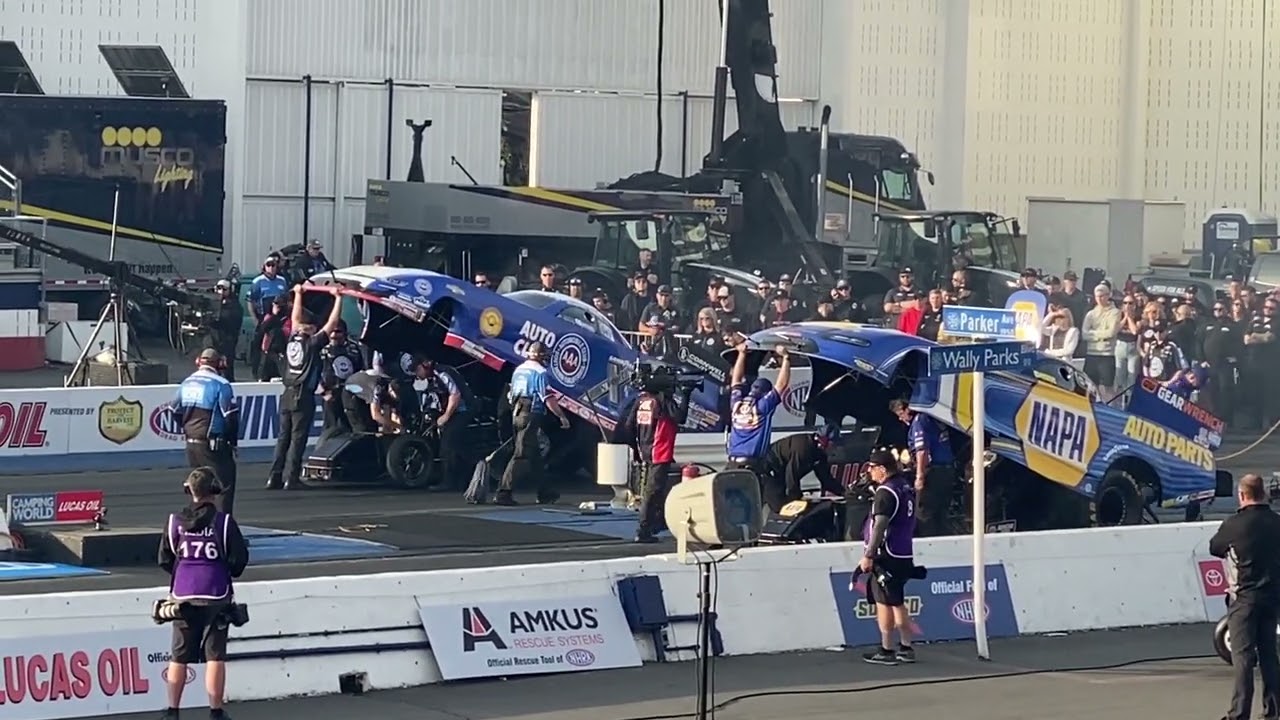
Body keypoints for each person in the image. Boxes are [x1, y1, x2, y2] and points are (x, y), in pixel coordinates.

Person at [157, 467, 250, 720]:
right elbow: (239, 560)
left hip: (183, 595)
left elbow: (165, 559)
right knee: (215, 656)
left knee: (178, 656)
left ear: (190, 491)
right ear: (215, 491)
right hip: (216, 594)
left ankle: (172, 711)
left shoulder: (174, 521)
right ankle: (215, 711)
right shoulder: (225, 523)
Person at [1210, 473, 1280, 720]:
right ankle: (1273, 710)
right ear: (1264, 493)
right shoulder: (1276, 522)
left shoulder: (1234, 524)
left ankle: (1239, 714)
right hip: (1272, 597)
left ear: (1242, 495)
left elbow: (1215, 547)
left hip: (1244, 597)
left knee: (1243, 657)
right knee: (1269, 655)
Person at [266, 284, 343, 491]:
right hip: (302, 395)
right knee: (297, 439)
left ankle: (274, 476)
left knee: (283, 437)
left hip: (287, 393)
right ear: (310, 327)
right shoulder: (312, 342)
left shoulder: (293, 338)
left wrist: (299, 294)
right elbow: (332, 323)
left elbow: (295, 317)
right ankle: (291, 478)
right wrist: (338, 299)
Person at [856, 449, 918, 666]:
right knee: (897, 600)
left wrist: (869, 554)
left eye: (872, 468)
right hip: (903, 552)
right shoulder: (905, 486)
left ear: (882, 469)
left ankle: (886, 648)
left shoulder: (886, 491)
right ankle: (906, 645)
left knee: (883, 602)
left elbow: (880, 525)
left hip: (888, 554)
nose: (870, 472)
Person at [496, 341, 570, 506]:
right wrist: (561, 416)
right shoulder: (540, 373)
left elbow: (511, 394)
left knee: (534, 455)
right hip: (531, 413)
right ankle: (503, 492)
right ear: (541, 356)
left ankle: (545, 492)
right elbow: (548, 398)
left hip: (516, 412)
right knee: (521, 454)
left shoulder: (518, 370)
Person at [621, 378, 694, 543]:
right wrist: (686, 395)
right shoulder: (662, 401)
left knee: (660, 488)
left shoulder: (642, 401)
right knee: (652, 491)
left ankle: (658, 522)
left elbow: (629, 425)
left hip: (647, 450)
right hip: (659, 451)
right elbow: (680, 417)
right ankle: (643, 529)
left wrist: (637, 449)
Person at [172, 349, 239, 516]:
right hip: (213, 444)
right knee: (224, 486)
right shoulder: (221, 384)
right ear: (220, 364)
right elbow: (231, 416)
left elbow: (173, 410)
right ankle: (223, 529)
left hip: (191, 443)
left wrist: (186, 429)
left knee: (199, 487)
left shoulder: (186, 382)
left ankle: (198, 524)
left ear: (198, 362)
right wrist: (233, 442)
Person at [724, 343, 791, 504]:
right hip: (752, 467)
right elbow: (781, 385)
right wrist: (787, 359)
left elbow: (736, 380)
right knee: (752, 508)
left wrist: (742, 354)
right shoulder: (762, 407)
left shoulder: (736, 404)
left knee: (730, 508)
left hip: (731, 464)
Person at [890, 399, 955, 537]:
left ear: (908, 408)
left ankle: (929, 548)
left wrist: (920, 476)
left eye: (901, 414)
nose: (901, 419)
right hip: (947, 471)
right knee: (942, 514)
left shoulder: (919, 421)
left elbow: (922, 451)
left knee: (924, 514)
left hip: (933, 473)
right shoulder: (933, 417)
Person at [413, 357, 473, 489]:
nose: (417, 374)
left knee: (448, 443)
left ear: (426, 365)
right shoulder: (430, 378)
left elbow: (455, 395)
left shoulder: (442, 373)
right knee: (457, 445)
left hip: (463, 410)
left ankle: (449, 481)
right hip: (451, 411)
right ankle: (464, 478)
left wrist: (446, 416)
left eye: (417, 370)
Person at [765, 424, 845, 504]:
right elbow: (791, 476)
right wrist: (796, 500)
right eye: (834, 444)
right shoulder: (803, 448)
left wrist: (843, 492)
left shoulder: (821, 454)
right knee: (779, 506)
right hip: (768, 469)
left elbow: (826, 478)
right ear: (824, 442)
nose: (836, 448)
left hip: (781, 473)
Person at [317, 320, 365, 441]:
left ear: (344, 333)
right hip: (331, 395)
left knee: (352, 426)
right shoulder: (322, 350)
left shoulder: (354, 349)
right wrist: (323, 393)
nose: (333, 335)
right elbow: (314, 374)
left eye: (337, 331)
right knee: (330, 428)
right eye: (331, 331)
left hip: (350, 394)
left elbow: (361, 372)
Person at [246, 257, 289, 378]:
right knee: (259, 346)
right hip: (263, 318)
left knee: (277, 346)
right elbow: (250, 301)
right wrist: (255, 319)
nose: (271, 267)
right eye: (268, 265)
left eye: (274, 265)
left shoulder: (282, 281)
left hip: (279, 319)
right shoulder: (257, 281)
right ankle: (257, 373)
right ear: (264, 267)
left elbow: (286, 299)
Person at [1081, 284, 1121, 398]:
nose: (1099, 298)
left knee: (1107, 387)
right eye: (1097, 296)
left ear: (1108, 296)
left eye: (1102, 296)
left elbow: (1111, 332)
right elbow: (1084, 334)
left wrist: (1093, 333)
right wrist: (1101, 335)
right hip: (1091, 354)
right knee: (1090, 386)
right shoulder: (1091, 314)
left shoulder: (1115, 312)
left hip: (1107, 354)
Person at [204, 280, 243, 382]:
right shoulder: (210, 302)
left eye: (224, 289)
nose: (221, 291)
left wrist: (218, 318)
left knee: (226, 369)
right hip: (212, 339)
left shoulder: (234, 305)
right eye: (219, 288)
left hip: (227, 340)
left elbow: (233, 322)